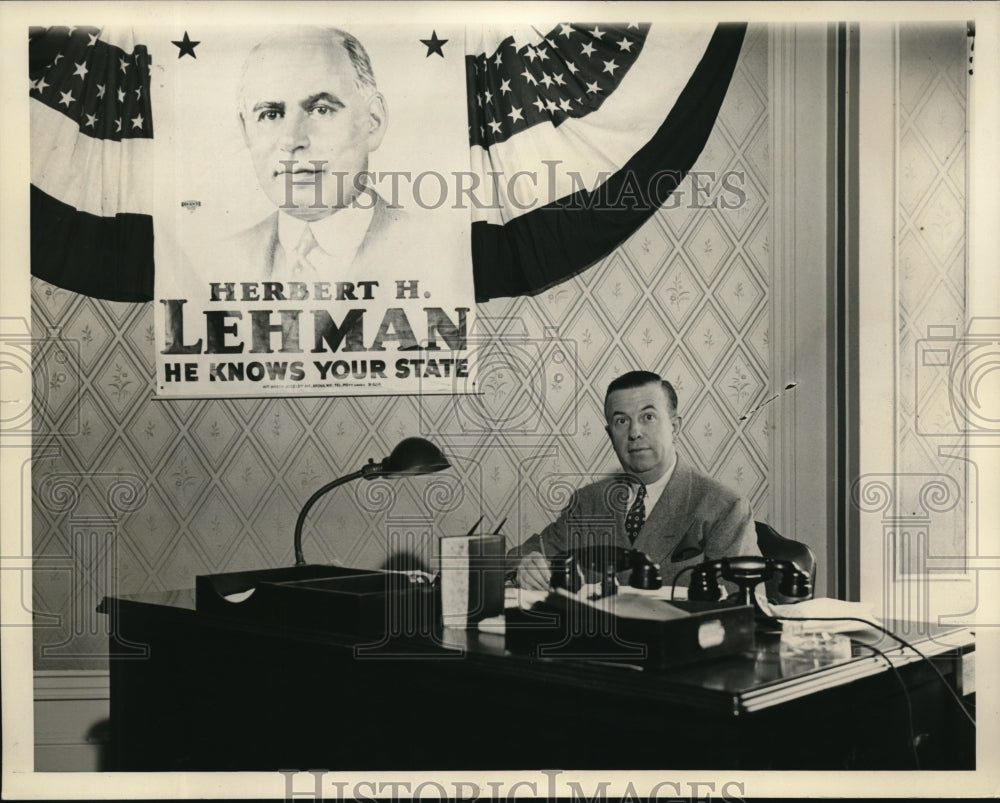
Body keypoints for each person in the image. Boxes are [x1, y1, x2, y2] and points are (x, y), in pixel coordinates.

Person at [509, 370, 759, 590]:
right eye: (621, 421)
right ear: (610, 434)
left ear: (675, 427)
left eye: (648, 417)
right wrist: (525, 565)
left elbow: (745, 606)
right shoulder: (588, 503)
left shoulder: (725, 507)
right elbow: (513, 558)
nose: (634, 432)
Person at [227, 27, 425, 280]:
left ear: (373, 121)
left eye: (321, 109)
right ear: (246, 131)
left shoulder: (442, 251)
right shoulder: (216, 260)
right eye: (270, 115)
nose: (291, 140)